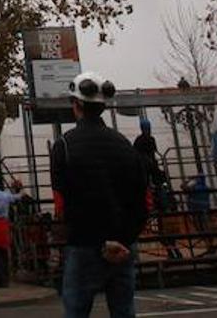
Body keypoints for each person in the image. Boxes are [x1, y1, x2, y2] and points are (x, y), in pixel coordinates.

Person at [48, 71, 147, 318]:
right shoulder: (124, 144)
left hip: (84, 244)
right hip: (122, 245)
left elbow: (61, 201)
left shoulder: (64, 145)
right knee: (124, 309)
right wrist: (123, 238)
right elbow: (141, 199)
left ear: (77, 105)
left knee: (76, 310)